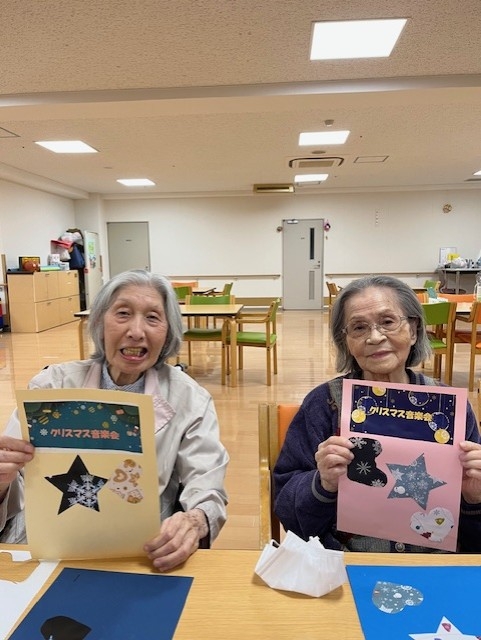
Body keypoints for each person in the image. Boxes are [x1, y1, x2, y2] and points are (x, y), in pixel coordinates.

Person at [0, 269, 229, 570]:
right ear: (100, 323)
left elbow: (207, 485)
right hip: (45, 546)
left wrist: (195, 519)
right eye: (123, 313)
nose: (136, 331)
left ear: (168, 332)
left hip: (137, 551)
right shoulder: (52, 386)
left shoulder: (190, 399)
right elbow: (14, 479)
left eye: (152, 318)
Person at [274, 275, 481, 552]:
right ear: (346, 341)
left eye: (387, 322)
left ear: (414, 330)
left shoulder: (448, 410)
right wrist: (322, 483)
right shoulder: (324, 404)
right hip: (346, 563)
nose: (374, 337)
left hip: (433, 563)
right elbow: (288, 512)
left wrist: (474, 498)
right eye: (359, 327)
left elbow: (474, 542)